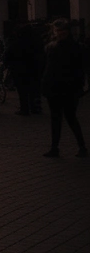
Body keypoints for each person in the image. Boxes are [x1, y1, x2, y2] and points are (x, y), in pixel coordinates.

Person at [41, 19, 87, 158]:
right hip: (54, 87)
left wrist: (79, 87)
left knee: (70, 117)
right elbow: (46, 68)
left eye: (63, 30)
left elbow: (80, 69)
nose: (61, 33)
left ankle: (81, 147)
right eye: (59, 31)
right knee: (57, 118)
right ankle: (55, 147)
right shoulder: (51, 47)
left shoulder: (76, 48)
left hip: (69, 88)